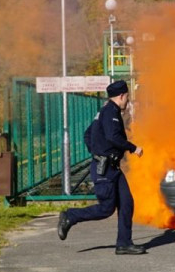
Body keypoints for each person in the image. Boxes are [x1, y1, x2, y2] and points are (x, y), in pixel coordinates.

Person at [56, 80, 146, 255]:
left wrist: (96, 151)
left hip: (112, 167)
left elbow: (88, 134)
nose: (128, 101)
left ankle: (124, 243)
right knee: (106, 209)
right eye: (127, 97)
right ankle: (70, 216)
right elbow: (113, 137)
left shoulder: (105, 112)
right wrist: (132, 148)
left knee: (126, 203)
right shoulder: (110, 112)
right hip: (105, 169)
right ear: (121, 96)